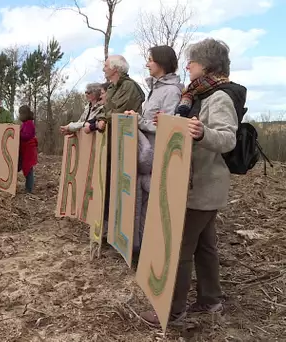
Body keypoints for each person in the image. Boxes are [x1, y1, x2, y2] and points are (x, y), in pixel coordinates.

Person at [139, 38, 240, 327]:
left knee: (181, 247)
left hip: (202, 186)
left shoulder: (218, 98)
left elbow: (227, 138)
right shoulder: (194, 95)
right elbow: (184, 130)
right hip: (201, 185)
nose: (187, 66)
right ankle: (211, 299)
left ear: (206, 65)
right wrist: (167, 124)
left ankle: (172, 310)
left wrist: (201, 133)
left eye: (192, 62)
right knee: (206, 246)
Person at [124, 46, 184, 258]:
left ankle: (154, 254)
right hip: (146, 155)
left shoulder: (172, 91)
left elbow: (167, 127)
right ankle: (139, 247)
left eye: (150, 60)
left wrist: (138, 120)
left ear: (161, 62)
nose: (147, 64)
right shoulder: (155, 89)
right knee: (142, 202)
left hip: (157, 157)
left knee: (153, 204)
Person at [96, 55, 146, 232]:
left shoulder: (129, 87)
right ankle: (107, 225)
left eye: (106, 66)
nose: (103, 69)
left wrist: (102, 119)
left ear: (115, 69)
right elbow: (105, 109)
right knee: (107, 181)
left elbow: (119, 111)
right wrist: (101, 118)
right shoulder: (111, 87)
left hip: (124, 142)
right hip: (110, 141)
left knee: (121, 186)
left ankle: (122, 229)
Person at [18, 105, 38, 193]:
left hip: (29, 151)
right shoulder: (25, 124)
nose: (19, 116)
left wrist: (18, 134)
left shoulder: (29, 124)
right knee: (22, 167)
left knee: (29, 169)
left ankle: (29, 189)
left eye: (20, 114)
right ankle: (27, 187)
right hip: (24, 150)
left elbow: (27, 136)